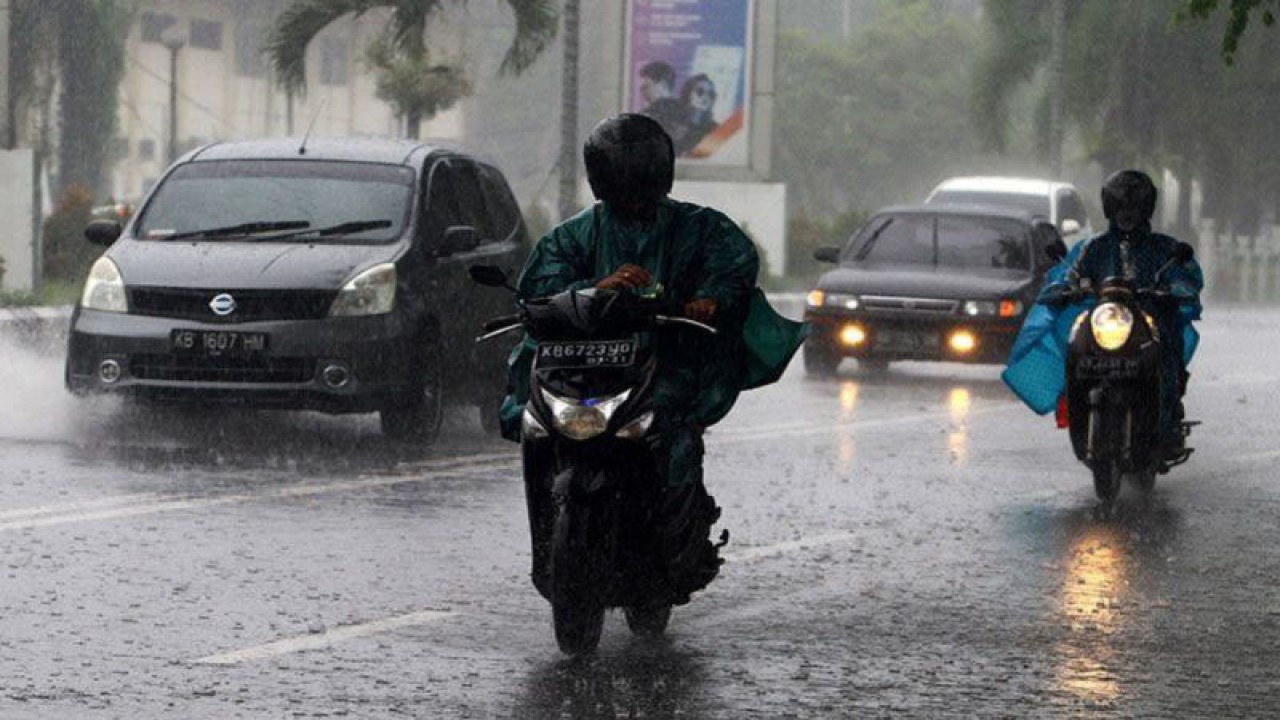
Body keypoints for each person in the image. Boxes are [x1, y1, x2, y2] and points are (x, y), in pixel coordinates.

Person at [499, 114, 807, 602]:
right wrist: (595, 289)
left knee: (673, 433)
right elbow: (541, 286)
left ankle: (678, 540)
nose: (632, 186)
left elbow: (733, 261)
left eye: (640, 174)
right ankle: (549, 545)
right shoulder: (576, 235)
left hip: (662, 363)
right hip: (582, 368)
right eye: (622, 174)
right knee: (533, 418)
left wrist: (709, 297)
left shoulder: (698, 228)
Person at [1005, 170, 1203, 458]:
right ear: (1109, 206)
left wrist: (1175, 288)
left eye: (1134, 206)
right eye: (1121, 205)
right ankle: (1076, 409)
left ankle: (1167, 419)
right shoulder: (1093, 247)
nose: (1127, 213)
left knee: (1168, 354)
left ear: (1147, 207)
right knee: (1076, 347)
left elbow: (1187, 276)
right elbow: (1069, 274)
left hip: (1150, 321)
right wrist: (1064, 288)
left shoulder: (1165, 248)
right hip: (1106, 320)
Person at [637, 61, 685, 139]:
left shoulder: (650, 114)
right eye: (641, 88)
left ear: (663, 85)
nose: (642, 92)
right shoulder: (686, 111)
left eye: (646, 87)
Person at [675, 73, 719, 156]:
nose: (706, 97)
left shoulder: (715, 129)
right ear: (688, 93)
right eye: (700, 92)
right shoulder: (673, 123)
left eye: (711, 94)